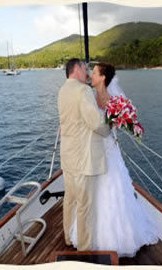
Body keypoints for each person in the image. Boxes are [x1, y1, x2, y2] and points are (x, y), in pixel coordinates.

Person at [69, 63, 160, 258]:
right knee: (93, 195)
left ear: (102, 78)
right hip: (92, 151)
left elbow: (124, 123)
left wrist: (124, 123)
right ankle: (89, 236)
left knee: (112, 190)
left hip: (109, 150)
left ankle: (119, 238)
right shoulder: (89, 97)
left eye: (93, 72)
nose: (90, 75)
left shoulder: (116, 102)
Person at [57, 58, 110, 251]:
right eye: (85, 68)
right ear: (77, 68)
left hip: (68, 157)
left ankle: (68, 238)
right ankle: (84, 249)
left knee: (69, 200)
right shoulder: (83, 90)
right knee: (85, 206)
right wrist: (108, 129)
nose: (87, 72)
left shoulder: (62, 90)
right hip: (82, 159)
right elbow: (96, 122)